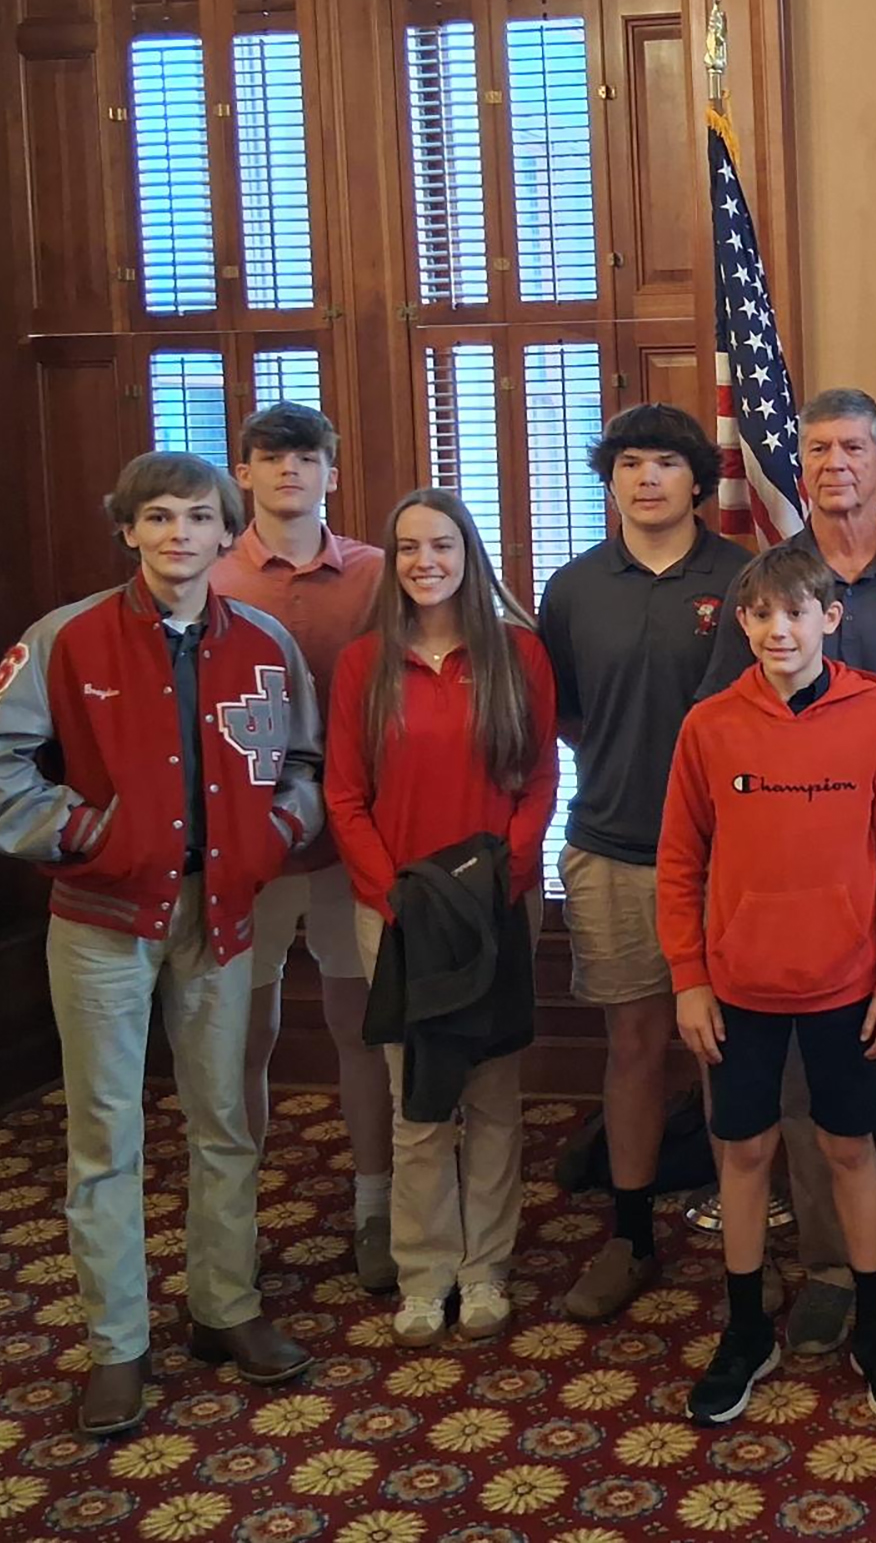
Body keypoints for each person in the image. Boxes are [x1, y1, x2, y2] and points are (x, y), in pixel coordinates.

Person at [0, 451, 321, 1434]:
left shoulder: (267, 642)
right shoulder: (64, 638)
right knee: (106, 1136)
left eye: (198, 517)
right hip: (104, 921)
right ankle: (117, 1343)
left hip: (222, 914)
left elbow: (305, 763)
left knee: (225, 1120)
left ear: (226, 531)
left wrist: (274, 834)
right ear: (127, 530)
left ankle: (225, 1305)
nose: (178, 534)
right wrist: (85, 833)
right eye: (157, 517)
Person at [695, 386, 876, 1353]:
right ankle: (827, 1262)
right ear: (800, 462)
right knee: (800, 1080)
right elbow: (726, 719)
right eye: (818, 448)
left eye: (854, 446)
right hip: (789, 869)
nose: (835, 464)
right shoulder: (771, 579)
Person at [663, 545, 876, 1426]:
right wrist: (689, 977)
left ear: (830, 617)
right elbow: (680, 862)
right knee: (744, 1152)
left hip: (847, 984)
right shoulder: (709, 725)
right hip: (737, 986)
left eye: (796, 612)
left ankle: (875, 1324)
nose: (779, 629)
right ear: (743, 623)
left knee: (850, 1147)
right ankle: (747, 1328)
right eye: (762, 614)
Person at [325, 489, 558, 1348]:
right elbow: (344, 795)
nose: (426, 561)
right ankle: (423, 1273)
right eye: (409, 547)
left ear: (470, 556)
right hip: (398, 914)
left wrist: (507, 875)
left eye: (443, 545)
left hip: (495, 905)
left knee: (493, 1093)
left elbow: (538, 777)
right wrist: (392, 895)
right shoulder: (363, 664)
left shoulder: (518, 654)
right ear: (392, 563)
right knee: (418, 1099)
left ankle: (485, 1266)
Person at [539, 403, 750, 1321]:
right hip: (614, 846)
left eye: (665, 461)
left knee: (724, 1052)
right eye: (630, 462)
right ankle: (630, 1236)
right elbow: (564, 711)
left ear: (698, 478)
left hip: (729, 857)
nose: (647, 477)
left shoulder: (741, 577)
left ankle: (743, 1241)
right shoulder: (574, 587)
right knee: (633, 1044)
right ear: (611, 478)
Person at [212, 401, 395, 1293]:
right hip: (245, 845)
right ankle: (234, 1219)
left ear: (332, 472)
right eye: (272, 456)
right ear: (243, 472)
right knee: (243, 1033)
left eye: (307, 456)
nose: (290, 469)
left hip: (350, 838)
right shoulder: (208, 575)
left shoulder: (377, 573)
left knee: (360, 1025)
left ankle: (375, 1206)